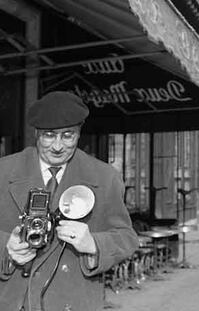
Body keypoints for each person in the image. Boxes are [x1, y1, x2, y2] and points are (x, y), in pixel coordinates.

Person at [0, 91, 140, 311]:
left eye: (67, 136)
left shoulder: (104, 177)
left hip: (72, 301)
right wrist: (5, 247)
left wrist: (94, 244)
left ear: (79, 133)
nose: (57, 146)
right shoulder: (3, 172)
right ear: (36, 133)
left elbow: (127, 237)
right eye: (49, 135)